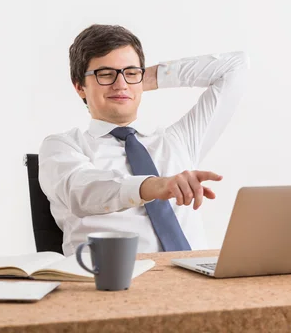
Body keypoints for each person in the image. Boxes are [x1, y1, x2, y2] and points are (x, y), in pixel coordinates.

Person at [39, 24, 249, 255]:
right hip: (114, 282)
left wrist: (140, 80)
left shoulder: (176, 140)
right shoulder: (62, 146)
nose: (120, 84)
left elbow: (235, 67)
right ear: (80, 86)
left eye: (130, 72)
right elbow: (81, 190)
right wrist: (154, 185)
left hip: (198, 279)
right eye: (106, 74)